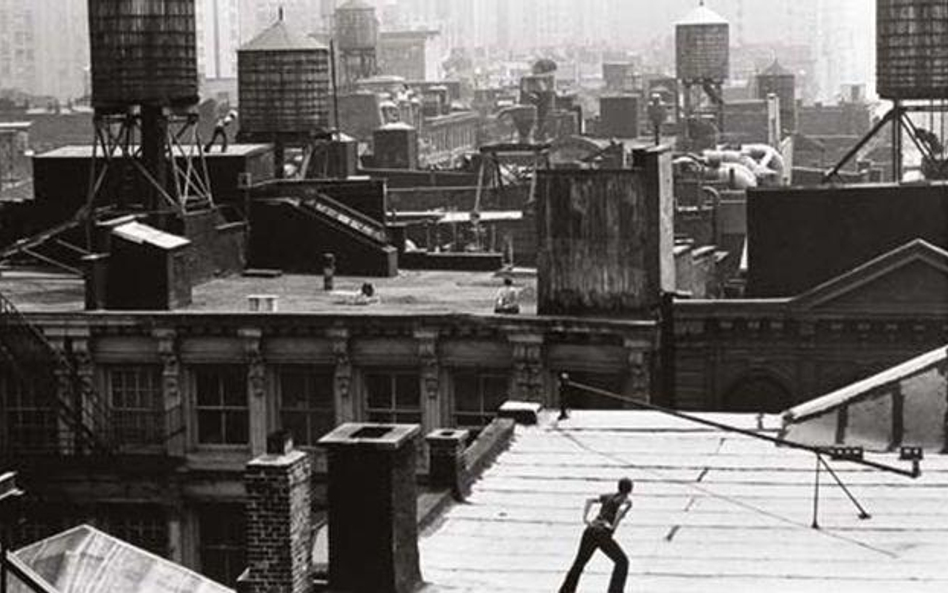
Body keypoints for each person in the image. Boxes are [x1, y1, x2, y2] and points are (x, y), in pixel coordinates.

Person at [559, 478, 633, 593]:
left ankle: (566, 591)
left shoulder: (608, 496)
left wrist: (585, 518)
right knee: (622, 562)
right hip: (603, 533)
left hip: (590, 530)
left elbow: (589, 500)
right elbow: (621, 510)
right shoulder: (627, 500)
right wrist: (614, 526)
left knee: (579, 562)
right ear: (630, 490)